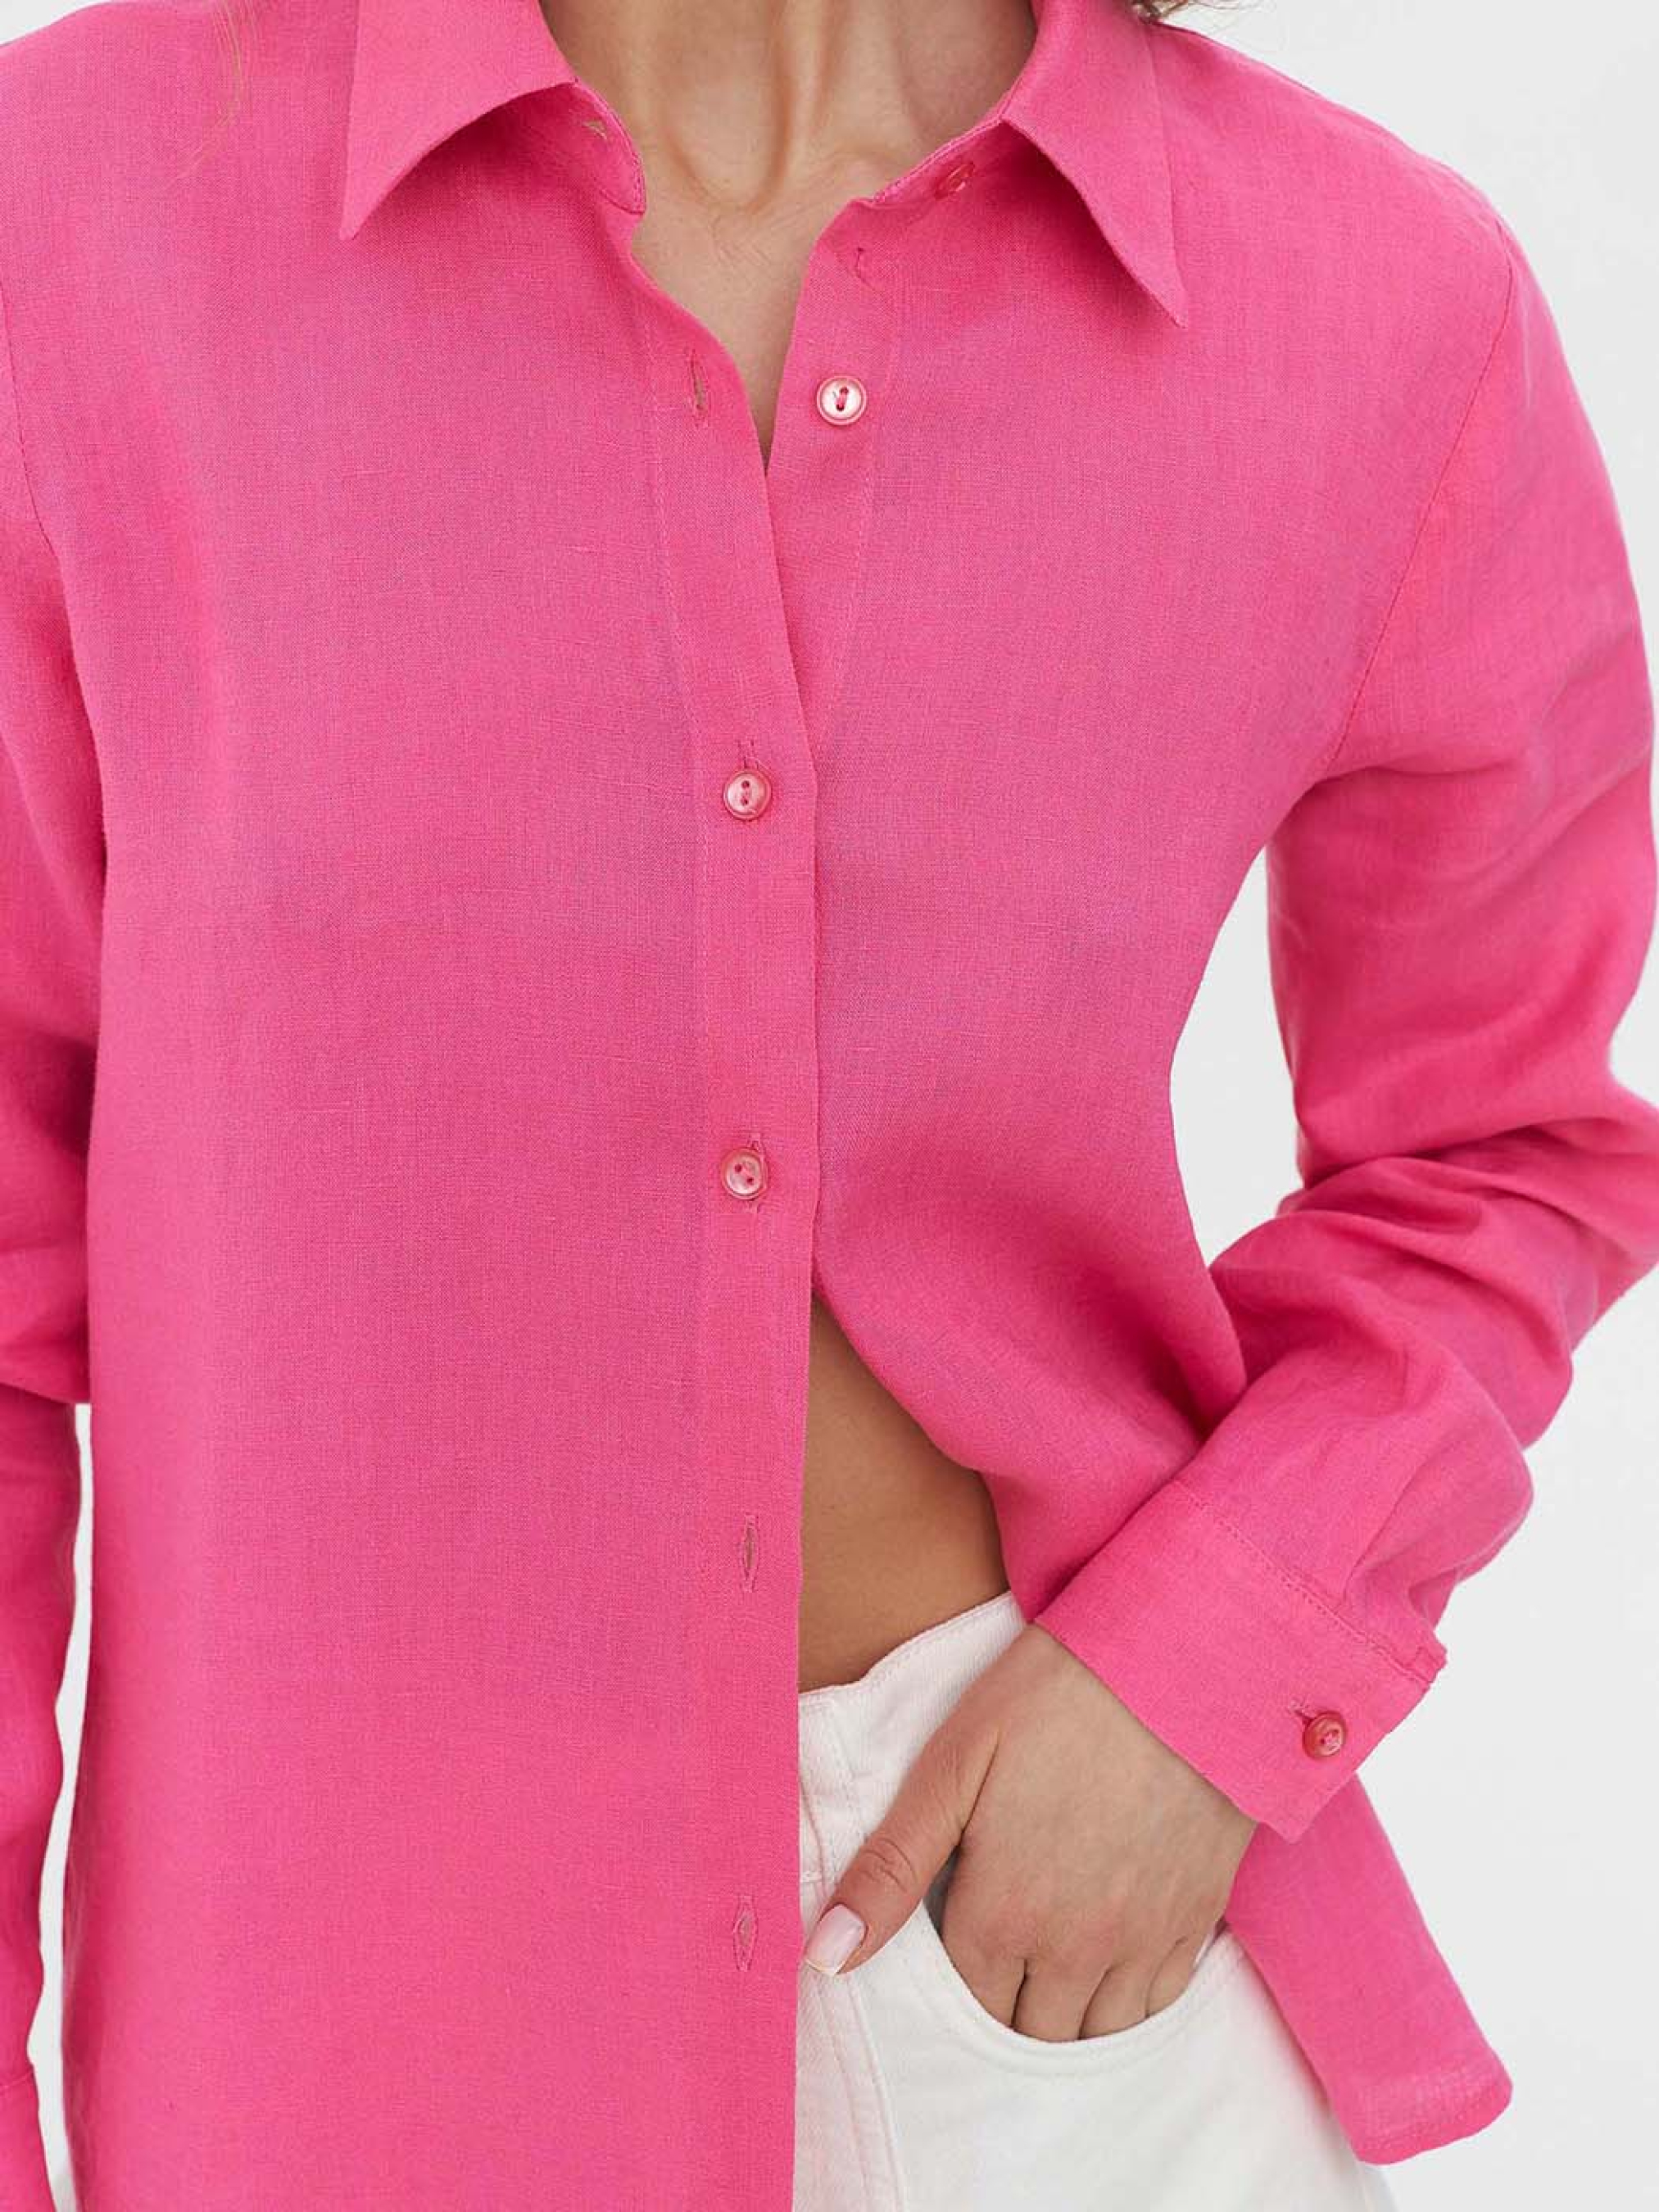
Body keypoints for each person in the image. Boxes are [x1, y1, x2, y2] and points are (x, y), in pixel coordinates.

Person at [1, 0, 1655, 2202]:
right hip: (358, 2026)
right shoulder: (86, 211)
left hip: (1048, 1952)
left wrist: (1204, 1675)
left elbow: (1502, 1145)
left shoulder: (1375, 303)